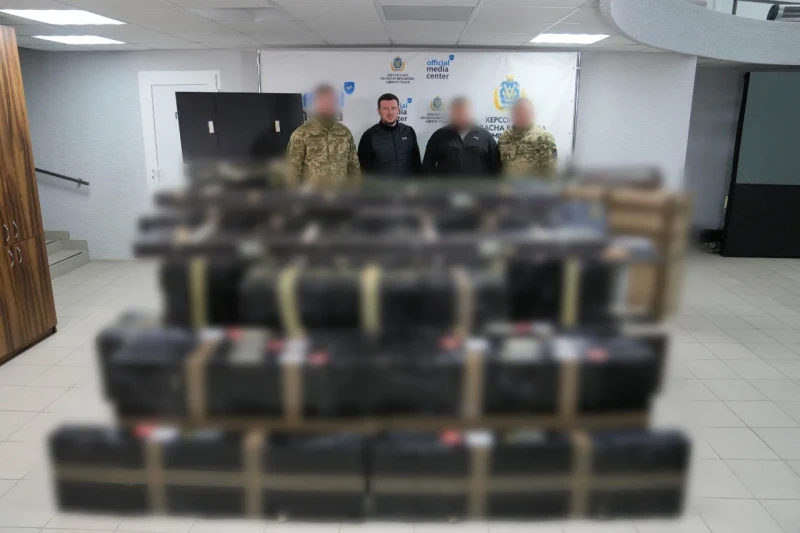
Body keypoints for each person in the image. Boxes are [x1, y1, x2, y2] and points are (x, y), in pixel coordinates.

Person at [285, 84, 360, 188]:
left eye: (331, 101)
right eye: (324, 101)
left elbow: (353, 167)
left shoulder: (344, 133)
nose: (328, 105)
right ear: (317, 103)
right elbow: (292, 172)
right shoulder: (301, 134)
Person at [422, 97, 500, 177]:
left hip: (478, 185)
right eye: (457, 112)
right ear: (452, 113)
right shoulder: (439, 135)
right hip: (446, 185)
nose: (461, 116)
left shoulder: (485, 136)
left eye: (464, 111)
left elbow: (495, 168)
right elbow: (427, 167)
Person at [358, 93, 422, 176]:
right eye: (385, 109)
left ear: (398, 110)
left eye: (393, 108)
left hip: (407, 184)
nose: (390, 112)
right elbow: (364, 170)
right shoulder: (368, 136)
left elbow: (416, 164)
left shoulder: (409, 131)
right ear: (379, 111)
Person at [497, 98, 558, 178]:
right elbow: (500, 168)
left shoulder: (544, 138)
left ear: (532, 114)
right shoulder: (504, 137)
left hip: (533, 185)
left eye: (525, 113)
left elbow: (550, 173)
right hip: (509, 185)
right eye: (518, 113)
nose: (521, 116)